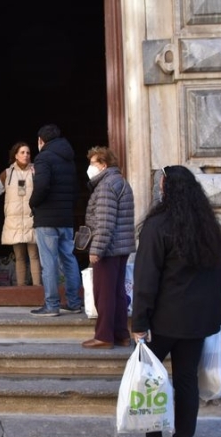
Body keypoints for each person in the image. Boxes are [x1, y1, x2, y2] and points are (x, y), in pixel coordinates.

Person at [130, 165, 221, 437]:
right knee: (186, 381)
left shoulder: (158, 226)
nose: (159, 187)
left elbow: (145, 278)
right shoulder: (207, 226)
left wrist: (139, 323)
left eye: (161, 184)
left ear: (166, 189)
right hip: (197, 321)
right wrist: (219, 314)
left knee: (149, 381)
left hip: (163, 319)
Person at [81, 146, 135, 349]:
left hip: (109, 248)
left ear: (103, 165)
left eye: (93, 163)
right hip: (121, 246)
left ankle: (104, 336)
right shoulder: (120, 181)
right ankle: (121, 334)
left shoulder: (106, 186)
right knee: (117, 292)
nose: (90, 167)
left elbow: (104, 222)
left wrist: (96, 249)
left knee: (104, 293)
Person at [28, 124, 83, 316]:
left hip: (47, 219)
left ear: (41, 141)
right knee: (69, 258)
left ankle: (51, 305)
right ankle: (74, 302)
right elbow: (75, 189)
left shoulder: (43, 157)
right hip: (66, 217)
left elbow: (41, 187)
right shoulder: (68, 158)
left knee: (49, 261)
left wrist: (32, 203)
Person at [0, 142, 42, 286]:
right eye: (22, 152)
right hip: (14, 222)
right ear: (15, 155)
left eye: (28, 153)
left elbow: (44, 189)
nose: (26, 155)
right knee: (19, 257)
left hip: (32, 220)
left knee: (34, 256)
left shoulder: (36, 170)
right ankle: (21, 290)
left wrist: (37, 178)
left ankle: (37, 290)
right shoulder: (8, 173)